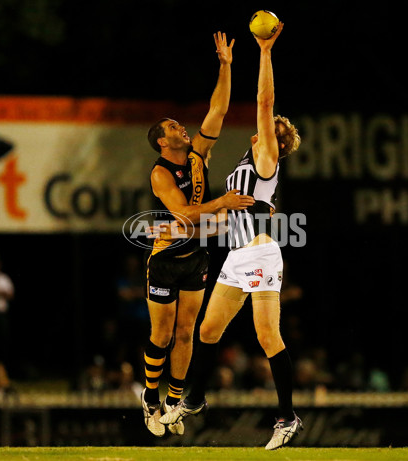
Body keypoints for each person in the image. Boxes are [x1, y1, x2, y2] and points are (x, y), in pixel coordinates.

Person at [160, 23, 304, 450]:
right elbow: (242, 210)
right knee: (208, 331)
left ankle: (287, 417)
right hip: (239, 256)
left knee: (267, 337)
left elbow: (264, 100)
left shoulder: (265, 158)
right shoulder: (248, 168)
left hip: (260, 256)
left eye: (269, 130)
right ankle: (196, 400)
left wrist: (264, 52)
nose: (261, 127)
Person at [141, 31, 255, 438]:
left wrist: (225, 66)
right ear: (161, 140)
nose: (182, 128)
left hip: (197, 257)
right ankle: (150, 399)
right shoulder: (160, 173)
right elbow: (184, 213)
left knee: (187, 332)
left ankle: (174, 402)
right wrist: (222, 203)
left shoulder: (197, 155)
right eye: (173, 126)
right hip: (166, 259)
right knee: (161, 333)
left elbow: (218, 110)